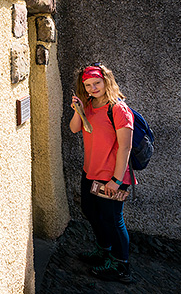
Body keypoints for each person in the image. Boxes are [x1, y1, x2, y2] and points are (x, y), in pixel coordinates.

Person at [69, 63, 134, 284]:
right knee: (90, 211)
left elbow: (125, 147)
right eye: (87, 85)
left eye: (96, 83)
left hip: (111, 176)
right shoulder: (88, 104)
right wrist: (78, 109)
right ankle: (104, 250)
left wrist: (116, 180)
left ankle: (121, 266)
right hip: (90, 172)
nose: (92, 88)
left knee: (113, 219)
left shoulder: (118, 108)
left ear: (106, 81)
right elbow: (75, 128)